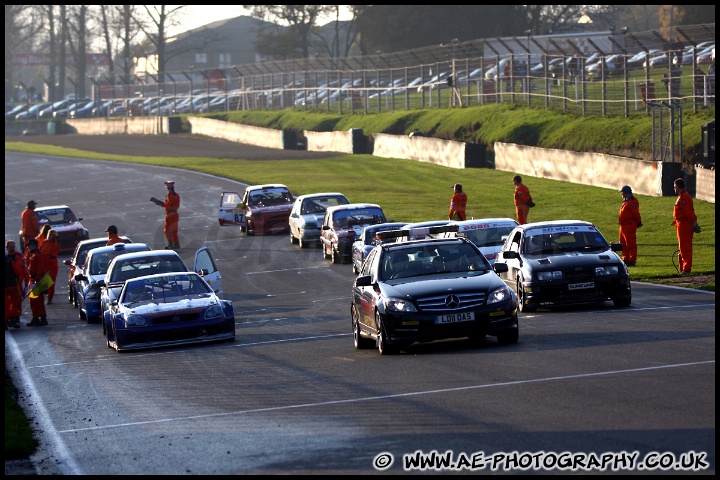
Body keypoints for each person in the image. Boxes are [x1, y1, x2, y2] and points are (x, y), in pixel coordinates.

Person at [672, 178, 701, 276]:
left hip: (684, 225)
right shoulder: (683, 196)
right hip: (681, 224)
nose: (674, 189)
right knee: (682, 247)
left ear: (678, 187)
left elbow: (688, 213)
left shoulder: (683, 197)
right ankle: (683, 268)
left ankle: (686, 269)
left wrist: (693, 224)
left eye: (675, 187)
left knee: (685, 247)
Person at [25, 238, 50, 326]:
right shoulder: (34, 255)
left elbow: (40, 268)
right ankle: (36, 318)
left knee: (38, 300)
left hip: (37, 279)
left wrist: (38, 279)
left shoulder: (38, 255)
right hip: (35, 279)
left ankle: (41, 318)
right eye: (29, 246)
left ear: (35, 246)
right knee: (34, 300)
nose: (29, 248)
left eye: (31, 246)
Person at [5, 240, 29, 329]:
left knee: (17, 301)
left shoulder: (19, 257)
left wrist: (27, 281)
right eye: (10, 246)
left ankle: (15, 317)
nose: (12, 248)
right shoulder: (7, 257)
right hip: (10, 283)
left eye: (13, 246)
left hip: (17, 283)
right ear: (7, 247)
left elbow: (24, 269)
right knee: (7, 302)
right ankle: (8, 318)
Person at [618, 185, 642, 267]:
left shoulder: (633, 201)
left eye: (622, 192)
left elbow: (636, 214)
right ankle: (626, 259)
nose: (621, 194)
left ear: (625, 193)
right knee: (623, 243)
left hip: (629, 225)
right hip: (623, 225)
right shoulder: (626, 201)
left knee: (630, 243)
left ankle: (632, 260)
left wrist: (638, 222)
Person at [152, 180, 181, 249]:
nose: (167, 189)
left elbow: (172, 204)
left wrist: (167, 198)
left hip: (173, 214)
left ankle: (176, 244)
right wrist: (159, 203)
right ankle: (170, 243)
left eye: (168, 188)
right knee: (166, 230)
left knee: (173, 230)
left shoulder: (174, 196)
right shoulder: (169, 196)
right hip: (168, 214)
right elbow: (167, 205)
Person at [43, 229, 60, 304]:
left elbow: (57, 249)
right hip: (45, 262)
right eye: (49, 234)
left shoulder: (56, 243)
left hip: (53, 262)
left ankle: (50, 297)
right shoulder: (44, 243)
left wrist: (56, 240)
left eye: (52, 235)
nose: (50, 236)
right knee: (45, 280)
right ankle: (46, 294)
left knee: (52, 281)